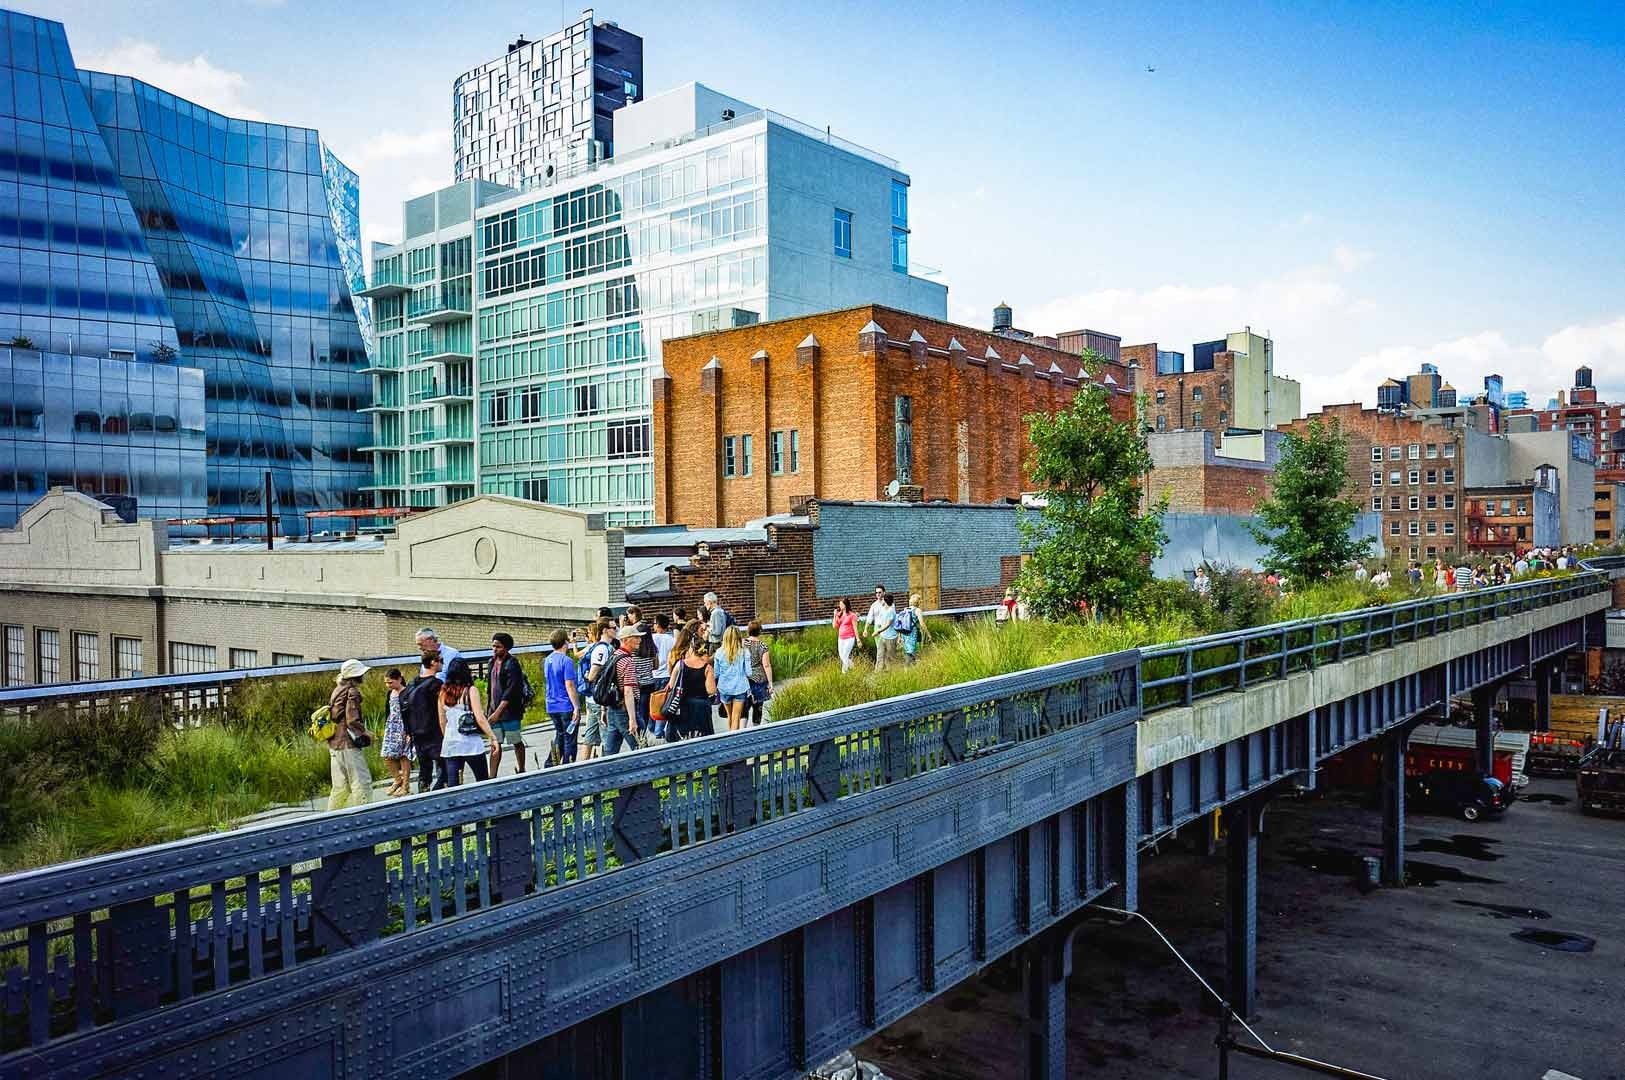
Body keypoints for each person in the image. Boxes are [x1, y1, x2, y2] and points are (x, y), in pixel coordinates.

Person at [438, 657, 498, 785]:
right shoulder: (470, 690)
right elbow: (480, 718)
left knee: (454, 785)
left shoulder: (443, 692)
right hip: (471, 744)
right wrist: (492, 738)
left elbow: (442, 721)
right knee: (482, 781)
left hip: (451, 744)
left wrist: (448, 737)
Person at [327, 659, 373, 810]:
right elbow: (352, 719)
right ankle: (363, 817)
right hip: (348, 743)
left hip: (334, 742)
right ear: (355, 675)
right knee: (361, 782)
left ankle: (330, 819)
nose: (364, 676)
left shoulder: (338, 688)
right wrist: (365, 732)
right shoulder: (352, 691)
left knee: (340, 786)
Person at [486, 632, 529, 776]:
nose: (494, 649)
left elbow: (511, 691)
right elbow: (490, 688)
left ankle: (522, 769)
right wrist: (490, 710)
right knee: (495, 743)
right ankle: (492, 775)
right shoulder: (491, 662)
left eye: (498, 647)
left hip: (509, 712)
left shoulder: (512, 664)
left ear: (506, 647)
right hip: (493, 710)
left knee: (515, 740)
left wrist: (498, 712)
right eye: (493, 646)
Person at [406, 652, 447, 792]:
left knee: (424, 770)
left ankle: (423, 794)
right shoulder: (437, 684)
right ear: (433, 663)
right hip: (434, 731)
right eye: (440, 660)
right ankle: (439, 793)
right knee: (444, 766)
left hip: (416, 733)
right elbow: (443, 709)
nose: (442, 663)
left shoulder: (412, 683)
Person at [599, 625, 643, 755]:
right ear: (626, 640)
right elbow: (628, 691)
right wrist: (632, 719)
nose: (639, 640)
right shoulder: (627, 661)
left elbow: (607, 683)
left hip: (613, 708)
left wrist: (604, 709)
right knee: (641, 747)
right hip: (625, 710)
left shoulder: (614, 655)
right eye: (636, 637)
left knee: (610, 752)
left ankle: (605, 773)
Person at [668, 632, 718, 741]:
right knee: (702, 739)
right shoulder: (707, 668)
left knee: (682, 738)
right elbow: (711, 690)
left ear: (692, 648)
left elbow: (671, 685)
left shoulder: (680, 664)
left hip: (682, 705)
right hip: (701, 707)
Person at [580, 619, 617, 761]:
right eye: (613, 627)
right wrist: (603, 708)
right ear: (605, 630)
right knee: (607, 736)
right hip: (599, 700)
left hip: (592, 699)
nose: (616, 630)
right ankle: (607, 766)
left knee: (589, 736)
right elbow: (594, 674)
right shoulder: (602, 648)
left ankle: (582, 766)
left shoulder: (602, 646)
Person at [543, 628, 580, 765]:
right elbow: (569, 684)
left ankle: (551, 763)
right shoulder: (566, 661)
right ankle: (568, 764)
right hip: (565, 704)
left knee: (560, 735)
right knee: (570, 738)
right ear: (566, 642)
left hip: (552, 704)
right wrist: (576, 706)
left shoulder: (547, 660)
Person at [380, 667, 414, 797]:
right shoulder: (390, 693)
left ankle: (405, 785)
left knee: (404, 757)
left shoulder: (407, 692)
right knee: (387, 755)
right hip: (392, 727)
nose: (389, 686)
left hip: (404, 727)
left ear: (399, 679)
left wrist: (410, 732)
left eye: (391, 682)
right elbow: (388, 711)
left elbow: (411, 713)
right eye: (387, 683)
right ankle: (398, 779)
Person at [714, 625, 754, 731]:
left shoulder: (719, 652)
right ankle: (733, 743)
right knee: (736, 717)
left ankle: (730, 739)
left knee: (730, 716)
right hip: (740, 687)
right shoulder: (744, 652)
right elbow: (749, 673)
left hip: (724, 688)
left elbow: (716, 673)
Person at [743, 620, 774, 725]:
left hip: (744, 679)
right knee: (758, 708)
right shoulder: (763, 646)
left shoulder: (742, 644)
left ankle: (742, 730)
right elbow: (766, 665)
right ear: (759, 631)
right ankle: (756, 730)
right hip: (759, 680)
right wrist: (770, 683)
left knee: (744, 708)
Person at [632, 622, 660, 740]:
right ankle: (649, 731)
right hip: (650, 683)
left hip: (638, 684)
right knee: (648, 711)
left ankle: (641, 736)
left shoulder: (634, 651)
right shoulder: (652, 649)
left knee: (639, 712)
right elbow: (656, 666)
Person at [898, 593, 930, 664]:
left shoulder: (905, 609)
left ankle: (909, 668)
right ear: (918, 602)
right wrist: (928, 634)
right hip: (912, 633)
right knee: (911, 652)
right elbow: (922, 624)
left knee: (907, 652)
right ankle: (908, 669)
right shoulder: (917, 610)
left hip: (904, 633)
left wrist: (899, 637)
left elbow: (902, 623)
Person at [870, 592, 898, 670]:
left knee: (891, 658)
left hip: (891, 638)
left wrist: (878, 631)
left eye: (883, 599)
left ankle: (891, 675)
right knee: (880, 656)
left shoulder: (891, 611)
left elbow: (887, 624)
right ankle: (878, 673)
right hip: (883, 637)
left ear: (885, 600)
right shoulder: (883, 609)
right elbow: (881, 621)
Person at [832, 598, 859, 672]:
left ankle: (844, 673)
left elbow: (855, 628)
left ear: (846, 605)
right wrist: (835, 615)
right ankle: (854, 668)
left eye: (841, 604)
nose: (840, 606)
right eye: (839, 604)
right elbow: (835, 626)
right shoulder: (839, 614)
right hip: (841, 638)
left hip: (850, 638)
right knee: (842, 656)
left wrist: (858, 639)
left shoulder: (852, 615)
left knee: (845, 655)